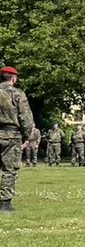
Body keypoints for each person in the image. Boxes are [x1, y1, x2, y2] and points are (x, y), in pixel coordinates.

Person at [0, 66, 35, 213]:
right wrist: (28, 137)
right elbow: (26, 117)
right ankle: (5, 203)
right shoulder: (17, 94)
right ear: (13, 78)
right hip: (11, 135)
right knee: (10, 169)